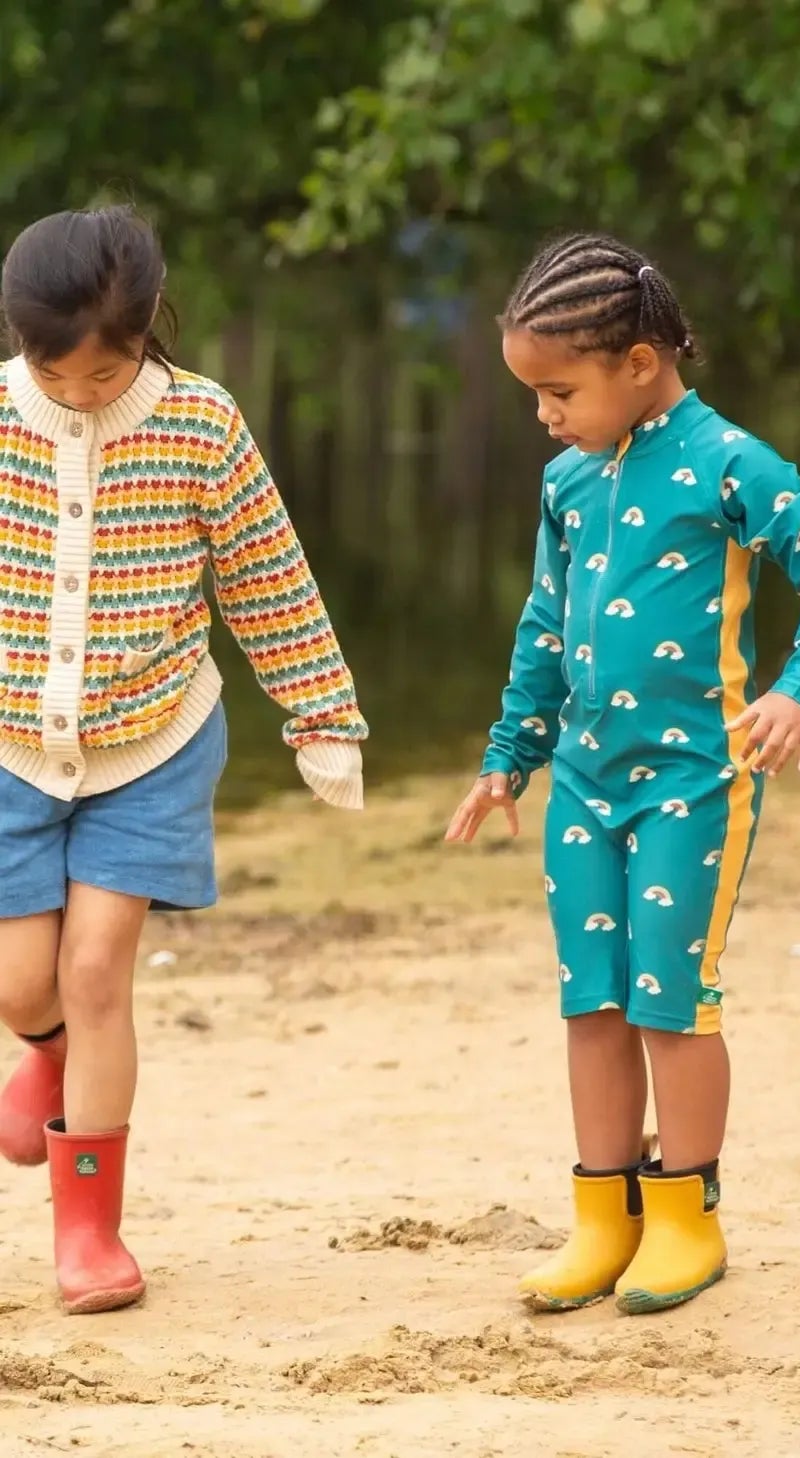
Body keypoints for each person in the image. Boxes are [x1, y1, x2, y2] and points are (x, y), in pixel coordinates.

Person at [446, 233, 800, 1314]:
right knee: (592, 1000)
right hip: (583, 784)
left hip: (696, 782)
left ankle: (687, 1216)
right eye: (534, 394)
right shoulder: (565, 482)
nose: (544, 415)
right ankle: (605, 1217)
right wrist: (509, 757)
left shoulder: (728, 462)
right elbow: (545, 626)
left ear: (640, 363)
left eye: (559, 392)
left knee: (670, 1002)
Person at [0, 206, 367, 1314]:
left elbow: (265, 576)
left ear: (149, 326)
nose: (79, 395)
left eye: (103, 374)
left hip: (152, 742)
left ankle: (88, 1232)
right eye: (54, 375)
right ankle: (48, 1052)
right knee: (23, 984)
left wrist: (321, 715)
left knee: (97, 973)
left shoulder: (201, 423)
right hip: (11, 746)